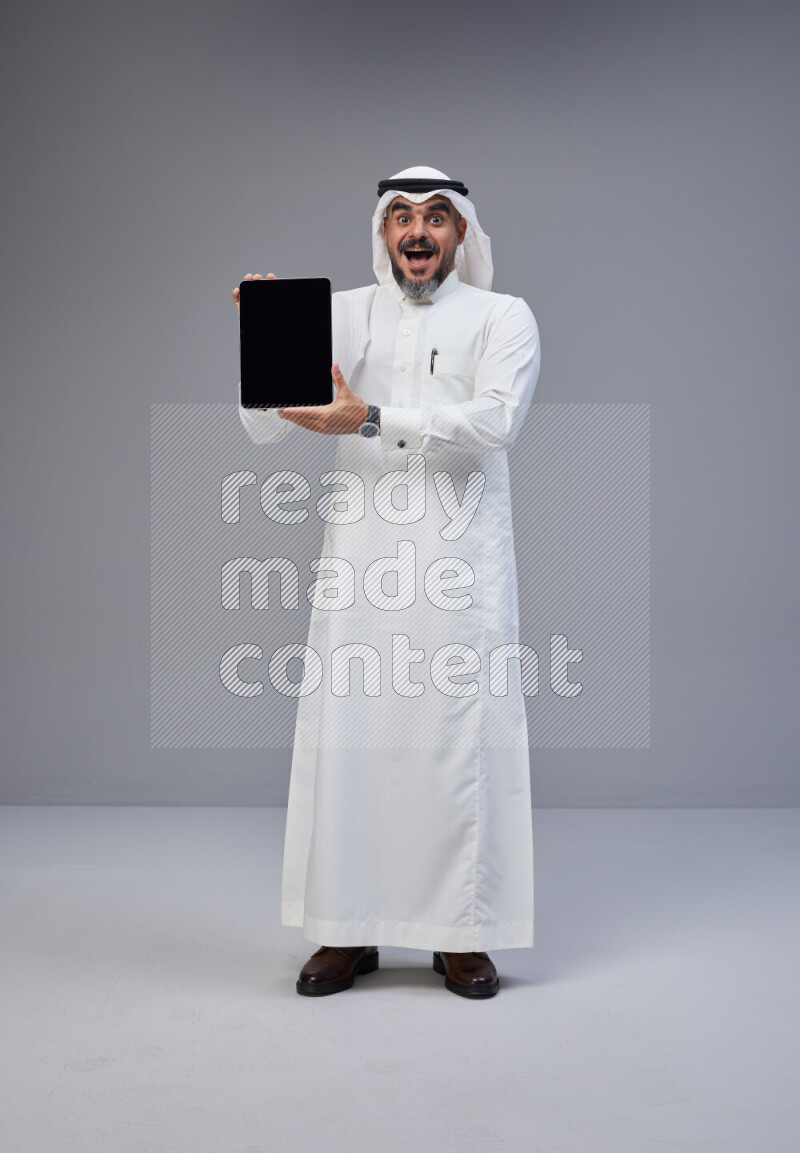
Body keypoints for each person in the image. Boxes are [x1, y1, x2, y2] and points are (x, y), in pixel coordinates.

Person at [233, 166, 541, 998]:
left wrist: (369, 416)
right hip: (362, 566)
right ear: (383, 232)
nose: (417, 231)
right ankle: (346, 929)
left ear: (462, 231)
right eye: (401, 216)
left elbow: (496, 421)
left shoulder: (502, 316)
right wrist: (262, 336)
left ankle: (461, 934)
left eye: (436, 216)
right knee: (353, 741)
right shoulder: (343, 315)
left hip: (458, 571)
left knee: (455, 744)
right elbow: (266, 423)